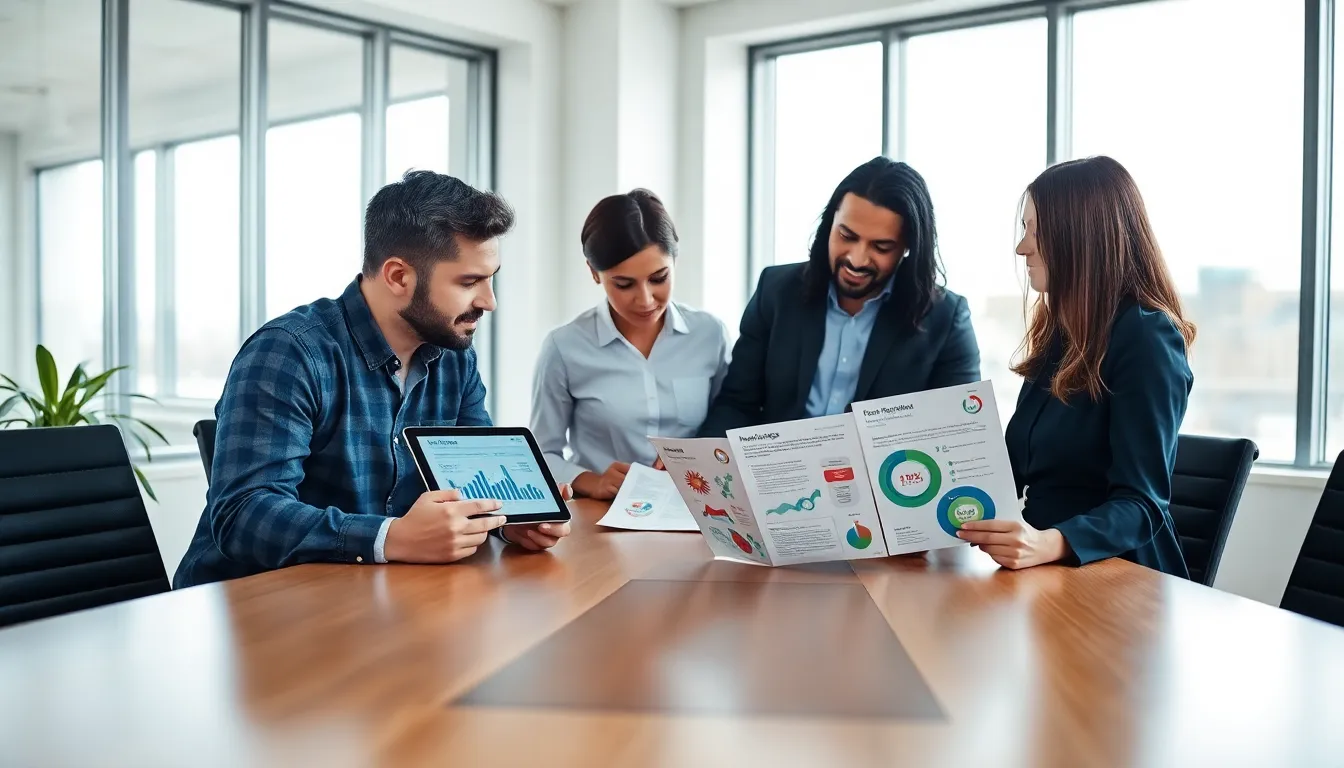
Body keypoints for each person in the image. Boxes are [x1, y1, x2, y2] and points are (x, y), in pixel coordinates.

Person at [174, 171, 572, 589]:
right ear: (399, 276)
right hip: (254, 608)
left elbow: (476, 484)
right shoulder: (289, 353)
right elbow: (243, 515)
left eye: (491, 278)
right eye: (469, 282)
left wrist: (509, 521)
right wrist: (391, 537)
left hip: (372, 601)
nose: (489, 301)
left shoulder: (454, 357)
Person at [957, 156, 1195, 577]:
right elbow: (1008, 470)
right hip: (1047, 569)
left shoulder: (1146, 337)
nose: (1021, 247)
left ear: (1080, 237)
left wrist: (1046, 542)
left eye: (1035, 230)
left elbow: (1142, 505)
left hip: (1120, 577)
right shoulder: (1058, 337)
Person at [697, 156, 980, 436]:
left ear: (908, 248)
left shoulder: (947, 319)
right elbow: (736, 404)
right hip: (780, 474)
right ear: (829, 224)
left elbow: (960, 433)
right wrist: (702, 463)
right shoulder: (775, 291)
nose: (857, 260)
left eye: (881, 247)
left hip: (882, 478)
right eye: (847, 236)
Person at [531, 189, 730, 500]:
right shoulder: (564, 347)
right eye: (624, 285)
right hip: (603, 517)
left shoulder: (710, 334)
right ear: (594, 274)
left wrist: (697, 456)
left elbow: (728, 424)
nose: (646, 299)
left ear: (675, 261)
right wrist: (591, 480)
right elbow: (541, 453)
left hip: (694, 509)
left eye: (659, 278)